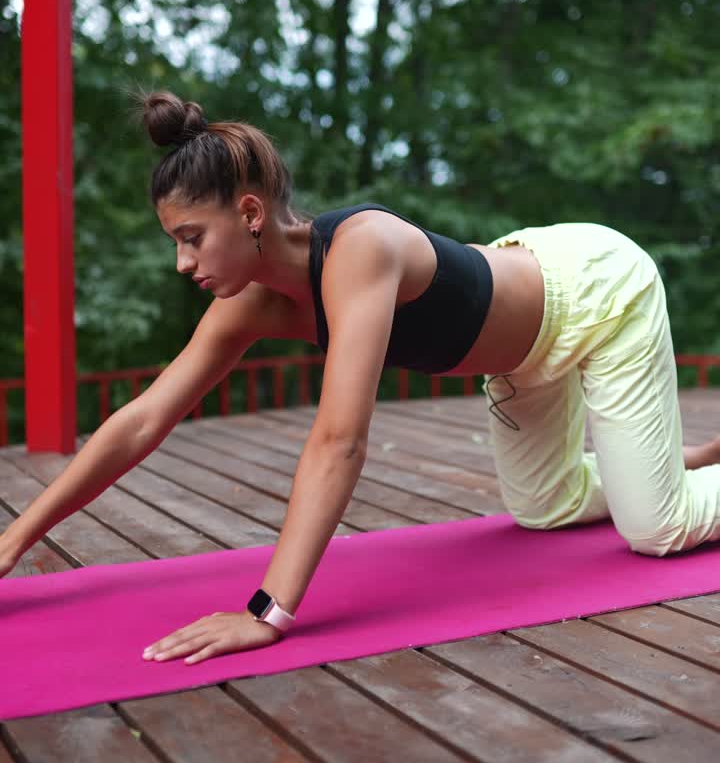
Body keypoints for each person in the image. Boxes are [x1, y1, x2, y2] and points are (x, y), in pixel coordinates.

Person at [2, 89, 720, 667]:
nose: (184, 264)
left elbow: (340, 439)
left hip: (594, 295)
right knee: (547, 510)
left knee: (658, 529)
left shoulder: (360, 248)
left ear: (249, 212)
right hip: (517, 360)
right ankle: (655, 461)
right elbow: (141, 420)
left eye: (191, 239)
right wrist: (15, 539)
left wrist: (268, 613)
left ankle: (656, 480)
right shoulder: (247, 305)